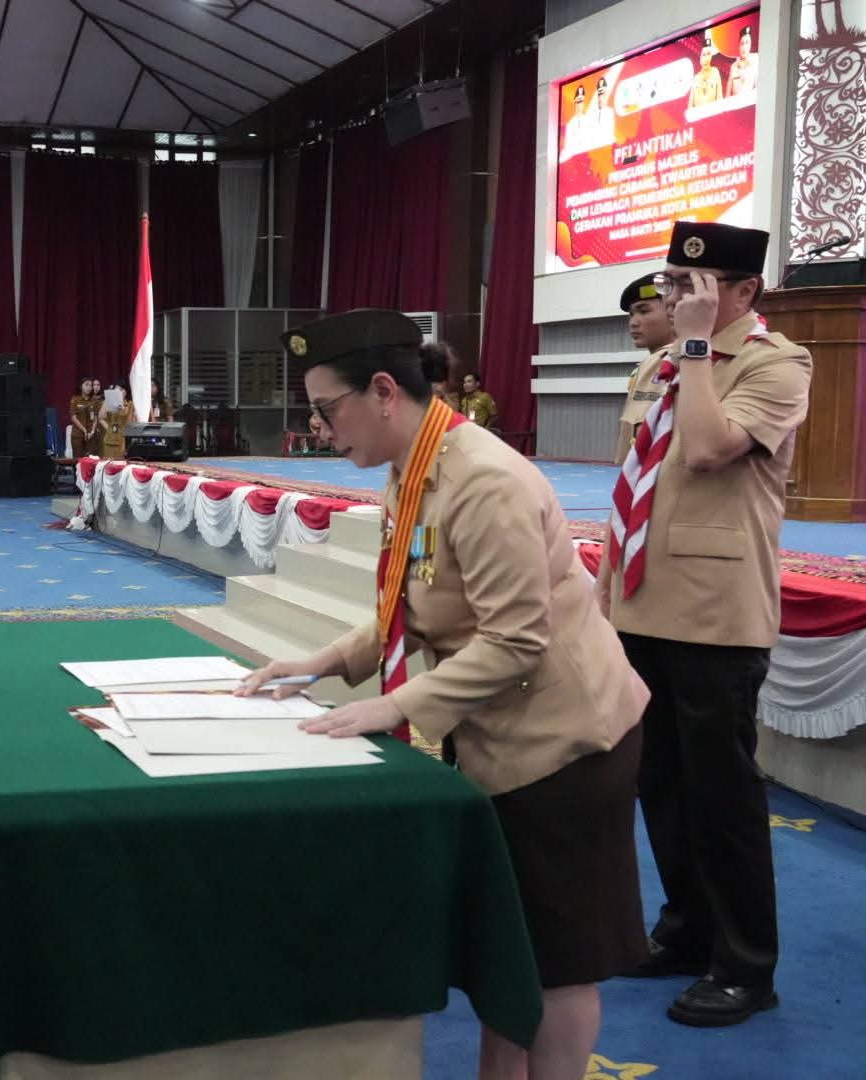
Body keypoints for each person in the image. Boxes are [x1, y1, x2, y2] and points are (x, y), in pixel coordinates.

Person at [239, 310, 648, 1080]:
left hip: (565, 745)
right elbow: (412, 600)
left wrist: (397, 705)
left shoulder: (484, 482)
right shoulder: (415, 463)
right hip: (500, 734)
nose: (320, 429)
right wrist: (322, 661)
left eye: (326, 409)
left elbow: (516, 639)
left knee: (559, 961)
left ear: (384, 391)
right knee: (511, 950)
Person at [599, 222, 811, 1027]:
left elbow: (708, 449)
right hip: (642, 600)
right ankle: (687, 930)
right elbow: (633, 484)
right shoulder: (659, 364)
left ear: (745, 290)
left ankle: (746, 965)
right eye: (670, 283)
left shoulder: (775, 363)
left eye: (693, 285)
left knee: (723, 798)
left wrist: (693, 351)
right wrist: (605, 596)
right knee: (659, 783)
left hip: (717, 614)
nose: (674, 297)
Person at [619, 272, 678, 466]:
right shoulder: (649, 364)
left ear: (674, 311)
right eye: (631, 314)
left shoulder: (677, 361)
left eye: (644, 311)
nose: (633, 322)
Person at [99, 384, 133, 459]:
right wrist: (108, 398)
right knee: (108, 463)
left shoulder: (130, 404)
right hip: (109, 440)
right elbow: (101, 417)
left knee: (120, 462)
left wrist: (123, 409)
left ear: (126, 391)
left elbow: (130, 423)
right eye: (116, 390)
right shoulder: (109, 403)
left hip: (123, 440)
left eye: (121, 390)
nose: (119, 392)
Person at [689, 38, 723, 110]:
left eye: (708, 54)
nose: (706, 58)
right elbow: (690, 105)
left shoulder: (715, 72)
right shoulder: (696, 78)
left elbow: (720, 97)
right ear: (700, 57)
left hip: (713, 113)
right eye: (704, 55)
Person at [69, 377, 98, 457]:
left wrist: (92, 431)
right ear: (81, 386)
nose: (89, 387)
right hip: (78, 435)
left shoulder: (94, 400)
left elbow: (96, 418)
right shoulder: (75, 399)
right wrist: (84, 430)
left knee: (91, 460)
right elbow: (73, 417)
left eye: (91, 385)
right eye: (86, 385)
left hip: (91, 436)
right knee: (78, 460)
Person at [726, 27, 757, 98]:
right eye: (742, 43)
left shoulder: (755, 62)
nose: (744, 47)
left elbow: (758, 89)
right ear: (739, 46)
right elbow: (727, 94)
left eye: (747, 43)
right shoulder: (733, 66)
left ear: (750, 45)